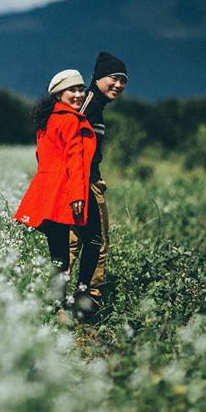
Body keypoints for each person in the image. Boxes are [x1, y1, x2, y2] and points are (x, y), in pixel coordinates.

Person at [14, 69, 97, 318]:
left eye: (81, 89)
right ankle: (83, 300)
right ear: (58, 93)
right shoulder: (71, 120)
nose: (78, 94)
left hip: (46, 191)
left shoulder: (47, 119)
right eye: (72, 90)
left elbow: (42, 157)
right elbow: (75, 160)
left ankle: (57, 305)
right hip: (66, 192)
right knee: (94, 241)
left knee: (58, 253)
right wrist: (77, 196)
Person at [68, 51, 128, 314]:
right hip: (83, 184)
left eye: (123, 81)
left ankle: (55, 298)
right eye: (113, 78)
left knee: (73, 240)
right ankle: (89, 300)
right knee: (95, 241)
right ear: (99, 77)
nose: (118, 85)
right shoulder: (87, 103)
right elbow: (67, 137)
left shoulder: (95, 105)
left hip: (85, 182)